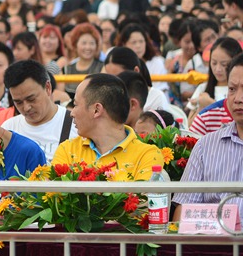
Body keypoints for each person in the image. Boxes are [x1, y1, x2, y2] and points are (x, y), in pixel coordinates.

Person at [52, 73, 162, 179]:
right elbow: (52, 190)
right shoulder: (67, 149)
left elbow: (143, 193)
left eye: (76, 105)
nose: (72, 113)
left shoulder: (147, 155)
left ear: (96, 110)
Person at [174, 52, 243, 213]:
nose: (238, 98)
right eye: (232, 89)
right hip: (214, 229)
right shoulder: (205, 146)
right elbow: (184, 210)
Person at [4, 60, 75, 158]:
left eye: (31, 99)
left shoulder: (76, 126)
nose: (26, 108)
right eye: (18, 102)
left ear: (48, 88)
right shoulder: (8, 129)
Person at [61, 23, 104, 98]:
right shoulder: (66, 69)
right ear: (75, 45)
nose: (88, 47)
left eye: (92, 43)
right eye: (84, 43)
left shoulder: (102, 68)